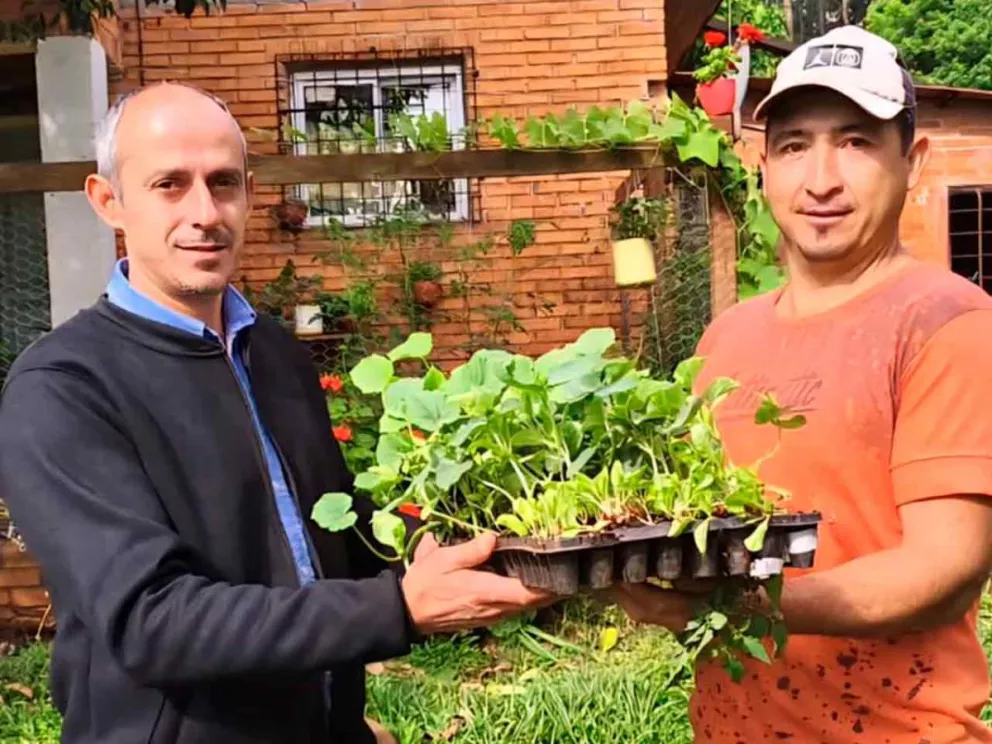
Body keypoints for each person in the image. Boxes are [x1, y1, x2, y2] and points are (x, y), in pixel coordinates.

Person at [0, 81, 553, 744]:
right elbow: (151, 621)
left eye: (223, 182)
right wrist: (398, 608)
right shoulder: (64, 387)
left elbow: (335, 535)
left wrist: (521, 543)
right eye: (170, 185)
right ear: (108, 201)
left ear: (251, 193)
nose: (205, 212)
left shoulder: (274, 354)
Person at [608, 25, 992, 744]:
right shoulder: (725, 339)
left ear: (912, 161)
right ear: (762, 167)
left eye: (855, 142)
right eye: (793, 146)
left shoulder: (949, 324)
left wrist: (737, 606)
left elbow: (945, 570)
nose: (820, 180)